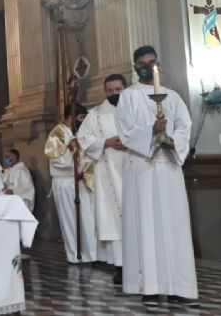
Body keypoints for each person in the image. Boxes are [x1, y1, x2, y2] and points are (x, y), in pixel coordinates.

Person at [115, 45, 197, 307]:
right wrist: (151, 132)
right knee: (146, 226)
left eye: (152, 63)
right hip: (143, 167)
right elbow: (125, 130)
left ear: (157, 65)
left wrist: (171, 138)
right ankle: (149, 285)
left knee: (174, 226)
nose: (147, 67)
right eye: (142, 63)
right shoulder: (128, 96)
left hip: (169, 167)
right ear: (135, 66)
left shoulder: (172, 96)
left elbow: (185, 125)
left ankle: (177, 285)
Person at [77, 73, 128, 284]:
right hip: (109, 175)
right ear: (105, 91)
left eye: (118, 90)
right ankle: (121, 267)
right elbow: (82, 137)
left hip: (136, 171)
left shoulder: (137, 109)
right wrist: (106, 142)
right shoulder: (96, 114)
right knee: (116, 221)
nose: (114, 94)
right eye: (110, 90)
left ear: (126, 88)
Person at [44, 103, 97, 263]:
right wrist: (70, 149)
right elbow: (56, 158)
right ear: (70, 117)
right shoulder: (57, 133)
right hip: (65, 182)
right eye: (80, 117)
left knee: (87, 218)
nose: (83, 121)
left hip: (80, 181)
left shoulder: (80, 133)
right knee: (71, 219)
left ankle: (91, 254)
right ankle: (75, 254)